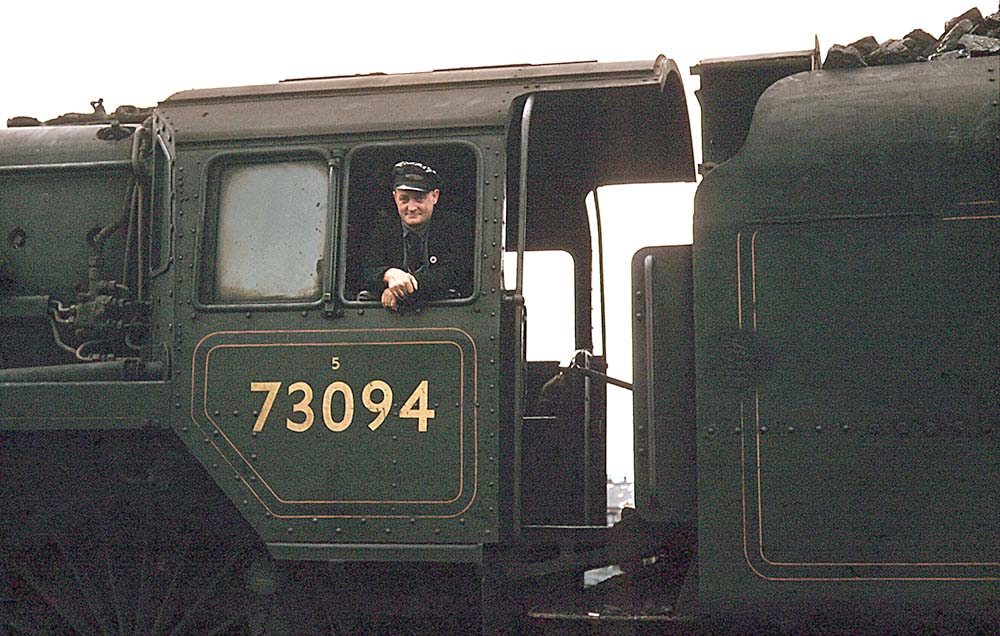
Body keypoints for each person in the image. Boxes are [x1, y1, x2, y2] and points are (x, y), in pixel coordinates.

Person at [362, 161, 473, 310]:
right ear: (395, 198)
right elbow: (366, 270)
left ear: (434, 196)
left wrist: (400, 289)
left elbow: (454, 273)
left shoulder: (455, 227)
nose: (412, 207)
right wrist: (388, 274)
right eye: (404, 199)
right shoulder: (383, 228)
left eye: (419, 199)